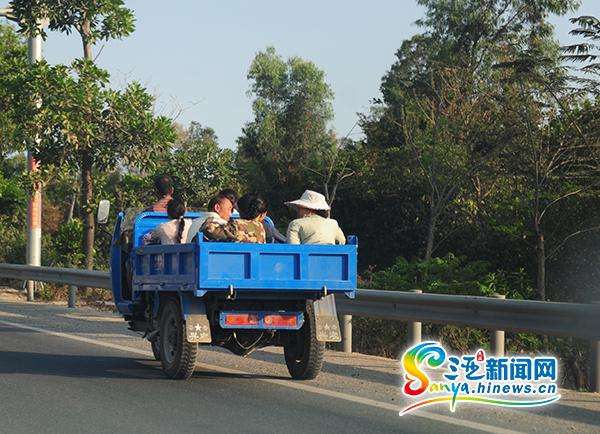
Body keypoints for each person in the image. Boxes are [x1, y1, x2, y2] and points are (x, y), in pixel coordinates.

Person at [201, 192, 267, 243]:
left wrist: (210, 220)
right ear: (262, 214)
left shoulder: (238, 225)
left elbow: (209, 230)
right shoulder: (261, 229)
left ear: (240, 211)